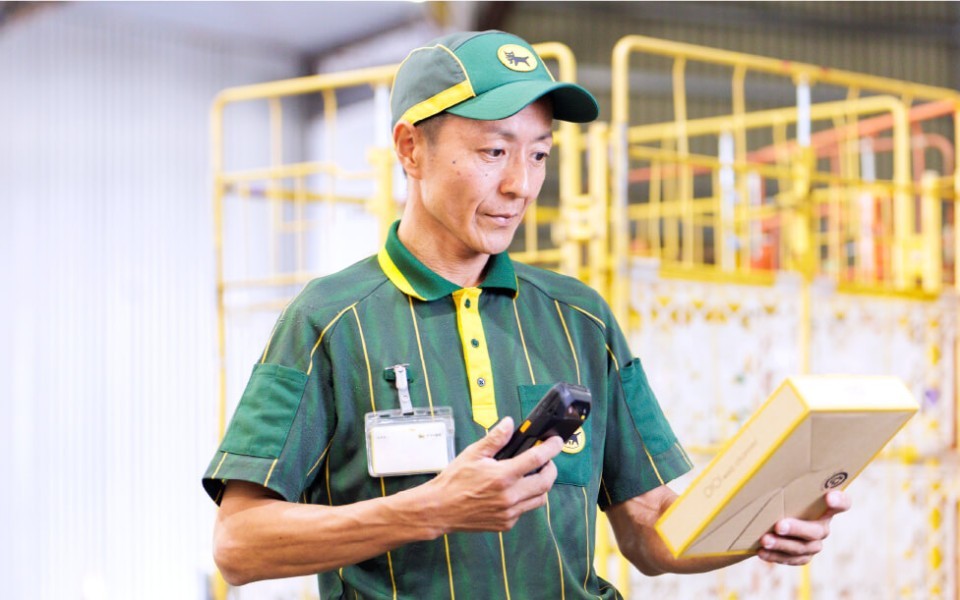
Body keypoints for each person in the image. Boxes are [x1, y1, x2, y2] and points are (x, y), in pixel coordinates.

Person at [203, 30, 850, 598]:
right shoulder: (329, 322)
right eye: (494, 152)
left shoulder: (580, 319)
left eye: (539, 154)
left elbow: (651, 530)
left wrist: (762, 525)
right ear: (410, 148)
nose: (521, 184)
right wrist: (430, 509)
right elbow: (240, 544)